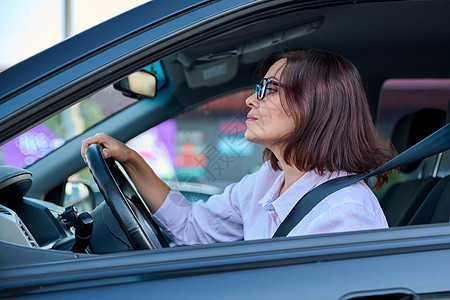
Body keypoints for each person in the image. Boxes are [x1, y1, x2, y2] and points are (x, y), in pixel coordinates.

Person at [81, 48, 395, 245]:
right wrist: (131, 160)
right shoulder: (268, 181)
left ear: (316, 105)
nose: (249, 99)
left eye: (268, 89)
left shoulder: (346, 213)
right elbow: (192, 228)